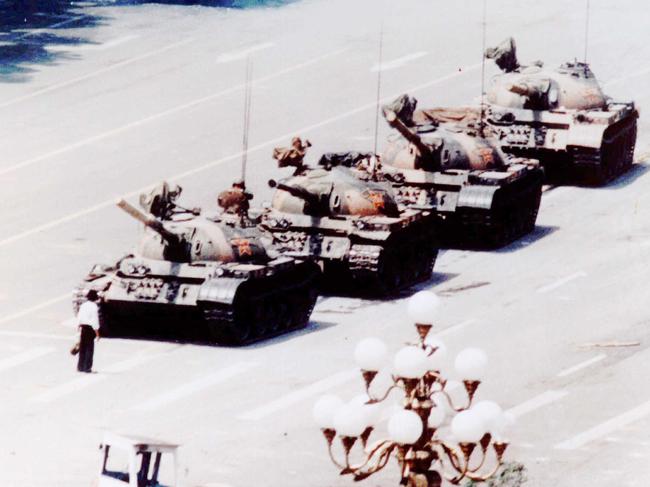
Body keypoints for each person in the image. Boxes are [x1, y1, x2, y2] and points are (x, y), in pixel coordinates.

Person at [76, 290, 100, 373]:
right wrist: (97, 333)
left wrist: (78, 327)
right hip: (90, 329)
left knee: (82, 348)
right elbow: (94, 320)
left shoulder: (83, 305)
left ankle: (80, 366)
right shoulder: (94, 306)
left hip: (83, 327)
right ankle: (87, 367)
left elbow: (79, 317)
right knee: (89, 349)